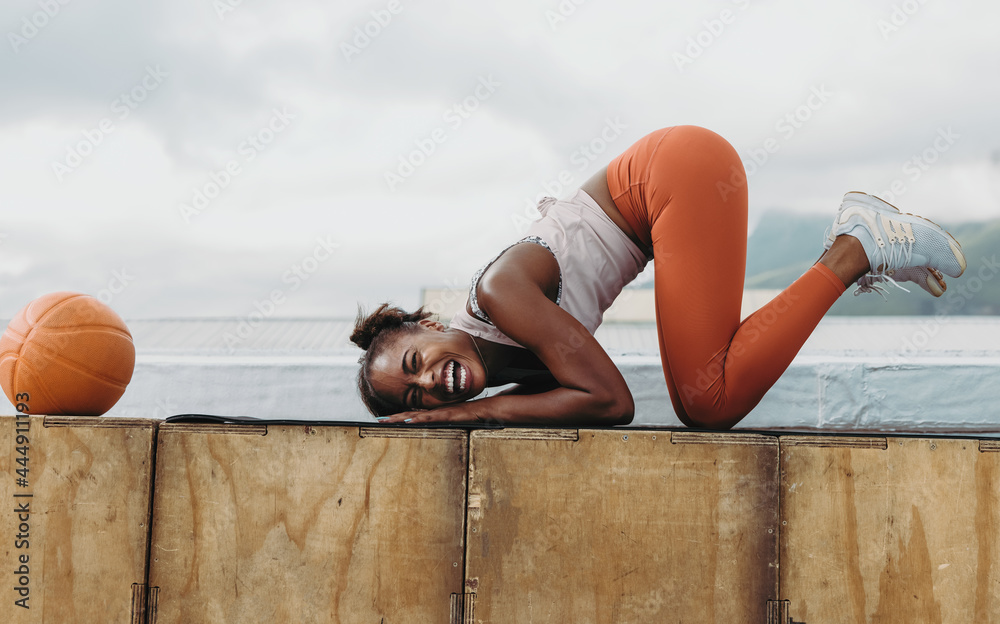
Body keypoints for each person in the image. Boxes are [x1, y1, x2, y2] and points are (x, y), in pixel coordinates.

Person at [350, 126, 966, 429]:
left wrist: (477, 416)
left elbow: (612, 402)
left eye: (415, 364)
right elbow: (592, 403)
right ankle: (860, 246)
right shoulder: (514, 367)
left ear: (426, 325)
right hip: (669, 196)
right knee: (708, 391)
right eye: (417, 400)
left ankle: (858, 248)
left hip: (676, 175)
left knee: (707, 400)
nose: (432, 385)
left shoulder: (498, 296)